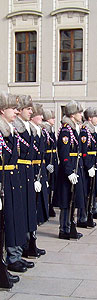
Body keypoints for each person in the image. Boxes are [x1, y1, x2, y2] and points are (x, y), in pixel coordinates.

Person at [0, 92, 32, 282]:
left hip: (12, 181)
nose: (16, 112)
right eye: (13, 108)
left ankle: (10, 261)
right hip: (4, 181)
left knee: (12, 222)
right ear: (3, 110)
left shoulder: (9, 130)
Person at [13, 95, 46, 258]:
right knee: (23, 212)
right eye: (28, 109)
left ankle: (30, 244)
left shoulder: (29, 128)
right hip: (19, 174)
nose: (31, 112)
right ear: (20, 111)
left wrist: (36, 177)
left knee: (30, 211)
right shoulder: (16, 128)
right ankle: (23, 247)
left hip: (29, 174)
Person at [53, 100, 84, 240]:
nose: (81, 115)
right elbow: (64, 153)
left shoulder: (74, 129)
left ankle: (70, 226)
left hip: (75, 167)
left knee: (73, 199)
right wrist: (69, 171)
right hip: (68, 169)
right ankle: (64, 229)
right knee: (66, 201)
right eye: (79, 112)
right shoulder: (66, 130)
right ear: (72, 114)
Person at [79, 107, 97, 228]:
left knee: (91, 192)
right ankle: (83, 217)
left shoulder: (93, 130)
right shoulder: (85, 131)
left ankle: (89, 215)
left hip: (94, 162)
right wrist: (88, 166)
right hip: (88, 163)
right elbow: (84, 150)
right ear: (90, 118)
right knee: (86, 192)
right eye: (96, 116)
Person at [30, 104, 49, 225]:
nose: (42, 117)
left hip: (40, 167)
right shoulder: (30, 131)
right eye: (39, 115)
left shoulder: (39, 130)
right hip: (31, 168)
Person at [41, 109, 58, 218]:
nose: (54, 120)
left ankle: (50, 204)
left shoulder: (50, 130)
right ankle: (47, 206)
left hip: (53, 159)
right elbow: (43, 148)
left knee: (52, 185)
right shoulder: (44, 130)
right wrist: (46, 163)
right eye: (52, 118)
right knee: (47, 186)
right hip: (48, 159)